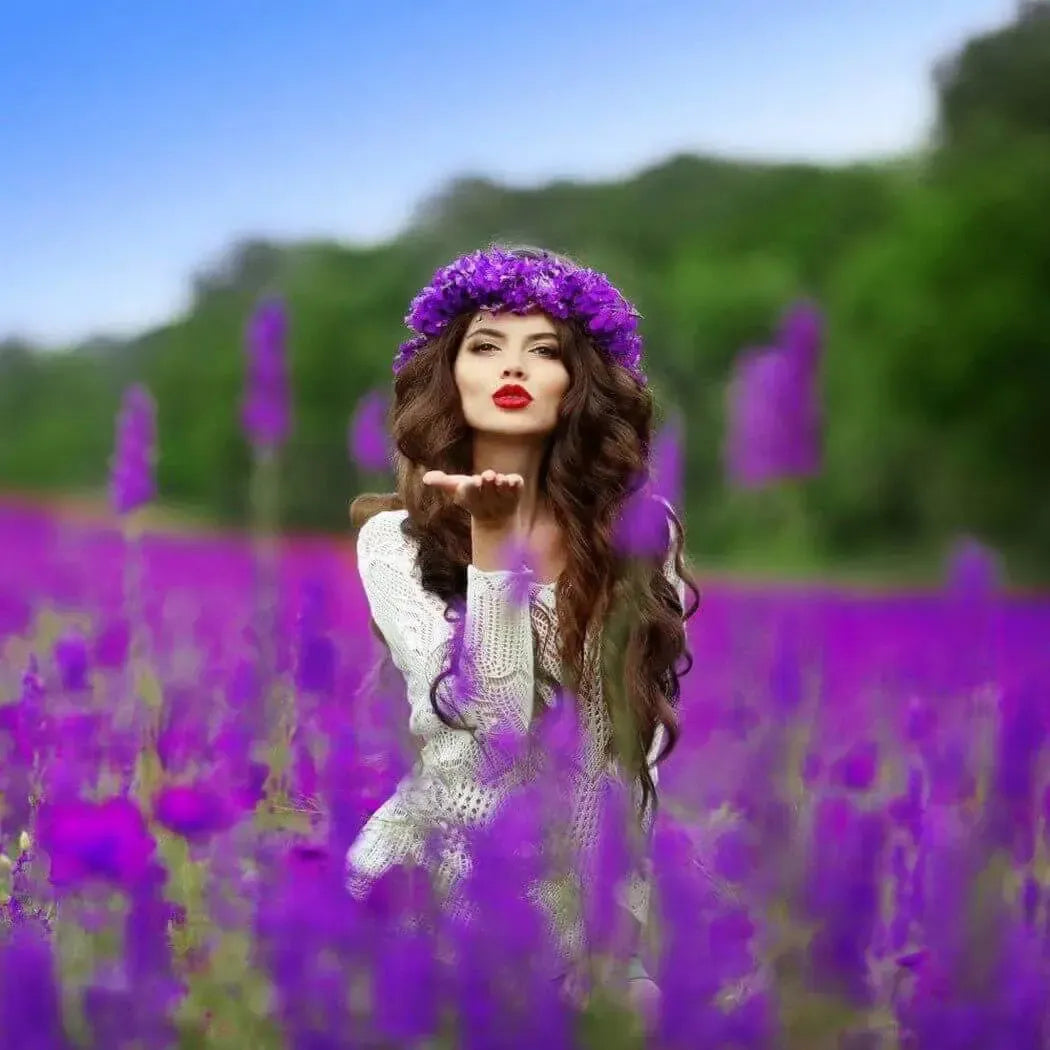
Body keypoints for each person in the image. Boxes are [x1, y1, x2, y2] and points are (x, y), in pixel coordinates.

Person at [346, 243, 699, 1018]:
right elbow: (494, 730)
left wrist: (621, 927)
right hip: (427, 893)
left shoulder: (642, 534)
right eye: (485, 347)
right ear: (451, 374)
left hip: (571, 913)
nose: (513, 368)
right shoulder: (394, 543)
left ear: (578, 383)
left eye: (543, 351)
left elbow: (634, 748)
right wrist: (492, 543)